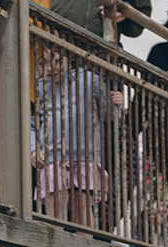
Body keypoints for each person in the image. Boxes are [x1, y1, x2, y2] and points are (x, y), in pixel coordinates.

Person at [32, 44, 120, 227]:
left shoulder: (90, 80)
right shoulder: (38, 87)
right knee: (55, 205)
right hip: (51, 155)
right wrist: (33, 149)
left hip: (85, 155)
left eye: (56, 62)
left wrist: (116, 103)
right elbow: (32, 123)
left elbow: (108, 116)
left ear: (68, 58)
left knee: (83, 206)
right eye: (43, 63)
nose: (50, 68)